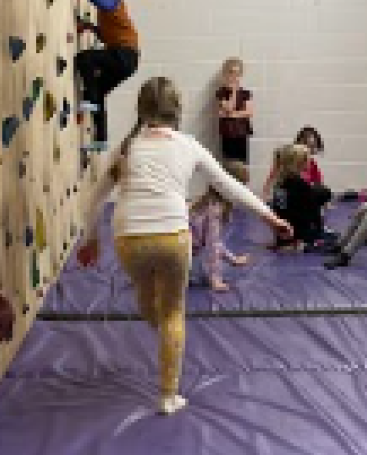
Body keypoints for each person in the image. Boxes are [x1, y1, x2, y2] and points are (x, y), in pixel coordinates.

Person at [79, 77, 290, 415]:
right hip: (173, 235)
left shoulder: (127, 147)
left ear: (141, 109)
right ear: (176, 110)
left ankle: (149, 302)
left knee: (149, 298)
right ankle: (167, 396)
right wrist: (269, 217)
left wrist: (91, 237)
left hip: (129, 238)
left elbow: (94, 197)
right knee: (174, 312)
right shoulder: (188, 144)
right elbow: (228, 184)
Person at [72, 0, 140, 151]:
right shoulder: (108, 12)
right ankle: (101, 139)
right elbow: (105, 35)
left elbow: (99, 0)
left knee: (83, 59)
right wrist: (89, 27)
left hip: (125, 54)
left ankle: (90, 98)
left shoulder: (114, 4)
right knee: (100, 92)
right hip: (127, 61)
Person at [189, 160, 252, 292]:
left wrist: (233, 259)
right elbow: (211, 247)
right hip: (176, 250)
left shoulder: (210, 202)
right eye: (242, 187)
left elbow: (213, 242)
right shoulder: (215, 209)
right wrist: (215, 279)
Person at [268, 144, 332, 252]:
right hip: (297, 233)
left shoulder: (280, 181)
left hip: (284, 233)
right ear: (299, 163)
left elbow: (278, 211)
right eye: (307, 159)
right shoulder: (299, 183)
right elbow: (311, 212)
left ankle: (290, 241)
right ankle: (301, 243)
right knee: (335, 240)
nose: (310, 162)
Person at [262, 126, 325, 198]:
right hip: (286, 196)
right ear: (299, 144)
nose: (309, 150)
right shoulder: (286, 160)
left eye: (312, 147)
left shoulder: (312, 165)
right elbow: (273, 176)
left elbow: (319, 185)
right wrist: (266, 192)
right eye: (307, 146)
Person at [215, 57, 254, 164]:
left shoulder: (246, 93)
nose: (234, 76)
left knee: (242, 163)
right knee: (229, 164)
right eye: (231, 72)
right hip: (228, 133)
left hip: (241, 133)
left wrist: (230, 115)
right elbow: (229, 107)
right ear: (225, 74)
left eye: (237, 73)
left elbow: (249, 112)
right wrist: (234, 91)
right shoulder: (221, 92)